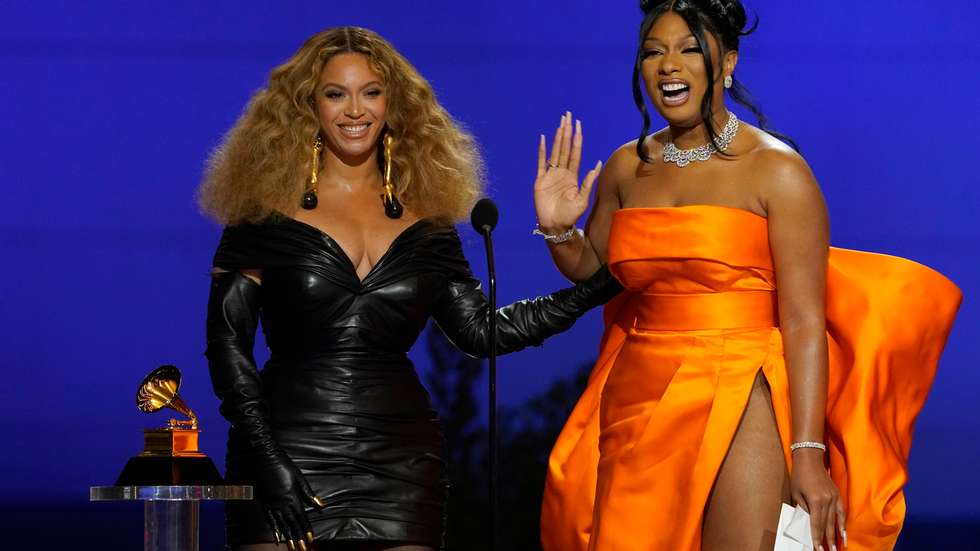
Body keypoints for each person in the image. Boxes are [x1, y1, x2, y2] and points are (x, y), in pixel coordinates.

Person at [531, 2, 961, 551]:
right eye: (654, 52)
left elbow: (803, 321)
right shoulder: (625, 168)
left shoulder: (777, 170)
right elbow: (592, 271)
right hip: (638, 392)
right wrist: (559, 230)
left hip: (742, 385)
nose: (669, 65)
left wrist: (808, 455)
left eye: (689, 49)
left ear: (728, 62)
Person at [198, 27, 621, 551]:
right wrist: (265, 458)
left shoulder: (429, 220)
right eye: (336, 93)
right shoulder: (262, 211)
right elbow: (227, 347)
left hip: (402, 460)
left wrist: (601, 284)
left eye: (371, 92)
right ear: (309, 105)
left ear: (393, 103)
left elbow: (481, 332)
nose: (356, 110)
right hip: (285, 446)